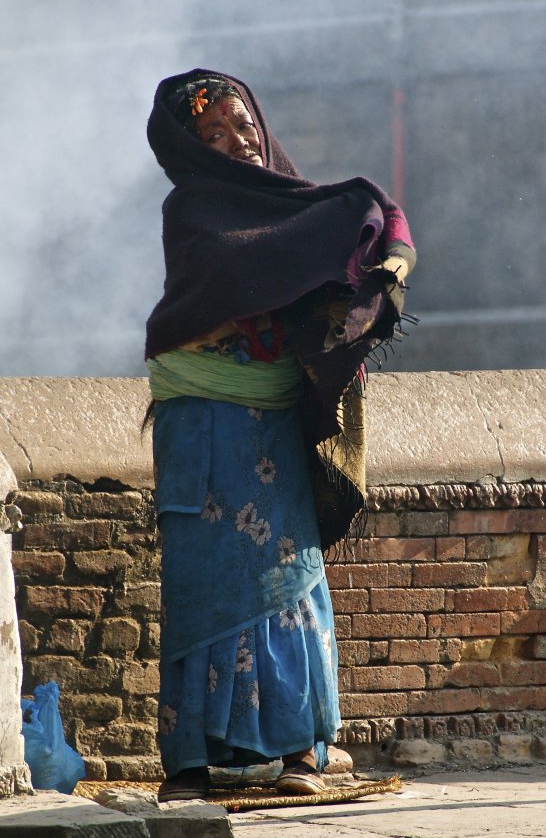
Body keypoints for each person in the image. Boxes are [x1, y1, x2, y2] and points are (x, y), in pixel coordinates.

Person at [144, 68, 416, 802]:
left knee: (286, 575)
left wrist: (385, 251)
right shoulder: (192, 209)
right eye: (216, 134)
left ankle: (301, 750)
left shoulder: (300, 207)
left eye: (245, 126)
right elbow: (221, 291)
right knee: (203, 583)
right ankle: (191, 764)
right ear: (191, 150)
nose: (240, 143)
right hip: (202, 422)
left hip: (271, 420)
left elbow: (364, 214)